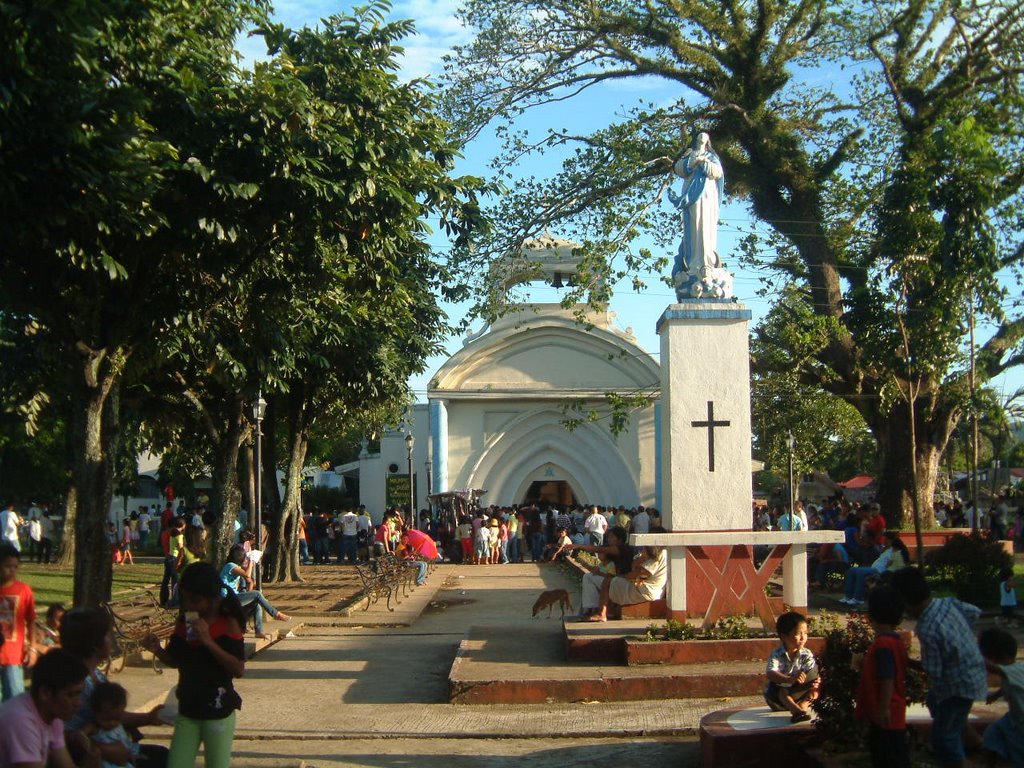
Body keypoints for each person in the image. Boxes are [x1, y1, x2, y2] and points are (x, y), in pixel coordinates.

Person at [143, 563, 246, 768]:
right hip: (188, 710)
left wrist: (207, 640)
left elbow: (238, 669)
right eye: (185, 599)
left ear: (212, 598)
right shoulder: (186, 620)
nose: (189, 605)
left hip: (218, 713)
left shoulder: (228, 623)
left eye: (195, 600)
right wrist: (157, 650)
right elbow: (176, 660)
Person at [891, 567, 987, 768]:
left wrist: (907, 662)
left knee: (942, 738)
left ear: (905, 604)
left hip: (957, 686)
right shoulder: (946, 603)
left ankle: (964, 762)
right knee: (936, 703)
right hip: (972, 672)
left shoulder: (927, 627)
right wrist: (961, 639)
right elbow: (974, 612)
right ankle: (980, 747)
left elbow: (932, 670)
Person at [61, 607, 167, 767]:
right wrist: (103, 749)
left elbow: (112, 714)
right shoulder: (76, 683)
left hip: (120, 747)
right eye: (108, 636)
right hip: (95, 756)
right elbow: (65, 734)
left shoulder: (95, 674)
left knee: (164, 756)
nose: (112, 640)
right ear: (95, 645)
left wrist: (148, 718)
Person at [0, 648, 93, 768]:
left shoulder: (53, 718)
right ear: (45, 693)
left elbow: (65, 764)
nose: (78, 703)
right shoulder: (20, 720)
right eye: (71, 695)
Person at [854, 586, 909, 768]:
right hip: (893, 712)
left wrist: (883, 708)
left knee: (886, 758)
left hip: (885, 713)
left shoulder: (883, 644)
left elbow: (887, 677)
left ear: (870, 616)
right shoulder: (895, 641)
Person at [668, 131, 725, 281]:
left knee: (707, 228)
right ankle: (694, 263)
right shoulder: (689, 154)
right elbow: (678, 168)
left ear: (708, 141)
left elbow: (718, 172)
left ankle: (708, 263)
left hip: (707, 195)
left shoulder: (712, 157)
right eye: (699, 135)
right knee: (694, 227)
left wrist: (704, 162)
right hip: (692, 197)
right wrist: (693, 161)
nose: (702, 137)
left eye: (705, 136)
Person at [220, 545, 289, 639]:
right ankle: (275, 614)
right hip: (226, 599)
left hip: (234, 597)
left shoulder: (237, 568)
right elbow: (247, 575)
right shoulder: (230, 565)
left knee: (257, 604)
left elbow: (249, 582)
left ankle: (259, 631)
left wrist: (250, 587)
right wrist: (252, 560)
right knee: (257, 594)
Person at [586, 542, 668, 622]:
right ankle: (610, 611)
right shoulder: (665, 552)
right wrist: (641, 559)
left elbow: (637, 573)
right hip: (651, 590)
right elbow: (635, 567)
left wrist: (622, 576)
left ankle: (601, 614)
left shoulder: (657, 555)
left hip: (646, 591)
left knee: (608, 582)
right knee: (614, 582)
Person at [977, 627, 1024, 767]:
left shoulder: (1012, 670)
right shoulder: (1012, 672)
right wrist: (996, 695)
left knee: (1018, 753)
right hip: (1013, 718)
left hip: (1021, 723)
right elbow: (1009, 687)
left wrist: (973, 655)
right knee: (993, 733)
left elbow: (993, 668)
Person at [764, 611, 820, 724]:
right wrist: (789, 679)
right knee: (782, 691)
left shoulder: (806, 654)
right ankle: (796, 712)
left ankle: (802, 706)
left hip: (799, 692)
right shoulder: (777, 654)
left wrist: (816, 681)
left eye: (805, 633)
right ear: (784, 636)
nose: (803, 637)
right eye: (798, 633)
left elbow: (811, 672)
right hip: (778, 698)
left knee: (817, 688)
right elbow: (770, 673)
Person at [569, 526, 634, 617]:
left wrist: (579, 546)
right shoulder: (615, 552)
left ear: (620, 539)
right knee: (589, 576)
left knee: (588, 577)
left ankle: (594, 608)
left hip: (621, 583)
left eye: (612, 537)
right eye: (609, 537)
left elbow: (599, 549)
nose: (609, 539)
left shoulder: (621, 549)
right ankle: (591, 608)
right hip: (617, 582)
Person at [0, 544, 37, 701]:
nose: (12, 570)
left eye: (15, 566)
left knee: (15, 698)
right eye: (8, 566)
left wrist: (33, 648)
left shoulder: (24, 590)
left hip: (13, 656)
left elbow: (31, 620)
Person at [840, 531, 909, 606]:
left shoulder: (895, 551)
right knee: (851, 570)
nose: (884, 541)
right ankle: (848, 596)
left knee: (860, 572)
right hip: (873, 567)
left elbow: (894, 563)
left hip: (879, 570)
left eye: (886, 540)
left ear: (891, 541)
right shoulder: (885, 549)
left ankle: (858, 598)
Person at [82, 682, 139, 768]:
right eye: (106, 720)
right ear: (95, 713)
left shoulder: (118, 727)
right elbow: (79, 734)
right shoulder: (95, 727)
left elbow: (126, 744)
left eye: (117, 719)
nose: (112, 723)